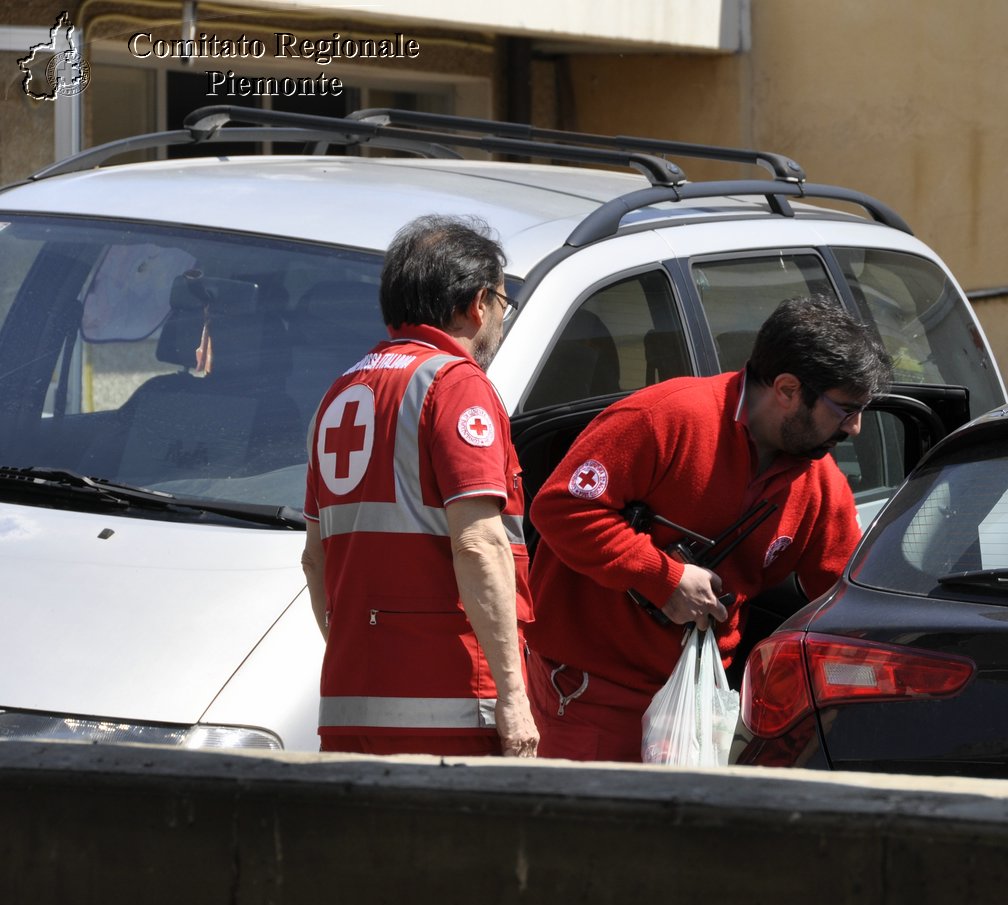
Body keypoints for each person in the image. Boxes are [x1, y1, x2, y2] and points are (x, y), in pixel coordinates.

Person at [526, 294, 892, 761]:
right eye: (846, 409)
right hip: (588, 700)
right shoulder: (665, 419)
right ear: (786, 389)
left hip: (700, 712)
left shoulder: (821, 484)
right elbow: (560, 509)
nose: (856, 428)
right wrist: (664, 577)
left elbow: (843, 600)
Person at [301, 215, 539, 757]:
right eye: (504, 303)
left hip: (349, 703)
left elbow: (315, 561)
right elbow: (479, 543)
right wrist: (513, 696)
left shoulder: (339, 393)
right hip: (449, 702)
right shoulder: (455, 385)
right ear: (479, 303)